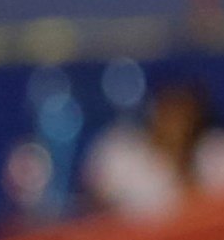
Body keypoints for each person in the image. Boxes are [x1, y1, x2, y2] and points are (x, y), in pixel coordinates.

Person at [82, 80, 224, 222]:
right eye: (170, 108)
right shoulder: (119, 152)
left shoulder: (214, 151)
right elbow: (93, 216)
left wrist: (183, 164)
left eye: (185, 110)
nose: (177, 121)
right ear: (156, 109)